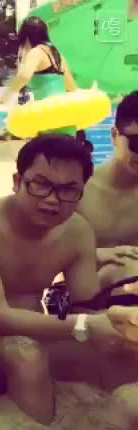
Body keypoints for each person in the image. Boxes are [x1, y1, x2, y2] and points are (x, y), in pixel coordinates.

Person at [0, 133, 131, 425]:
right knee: (26, 358)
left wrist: (118, 319)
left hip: (35, 333)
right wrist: (86, 325)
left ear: (81, 193)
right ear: (17, 181)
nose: (52, 200)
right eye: (41, 185)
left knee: (119, 349)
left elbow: (86, 308)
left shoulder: (77, 232)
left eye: (68, 190)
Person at [77, 91, 138, 288]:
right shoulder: (79, 190)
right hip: (87, 298)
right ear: (114, 136)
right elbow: (41, 255)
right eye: (137, 144)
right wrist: (95, 255)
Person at [0, 16, 78, 136]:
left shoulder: (36, 52)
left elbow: (23, 77)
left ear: (27, 37)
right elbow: (72, 88)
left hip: (48, 118)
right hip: (66, 119)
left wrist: (5, 97)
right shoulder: (58, 56)